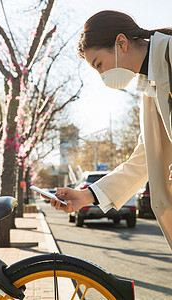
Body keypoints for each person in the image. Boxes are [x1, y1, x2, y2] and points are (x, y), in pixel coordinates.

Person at [50, 10, 172, 250]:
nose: (102, 75)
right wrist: (86, 196)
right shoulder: (150, 92)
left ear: (121, 42)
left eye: (99, 65)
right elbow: (145, 160)